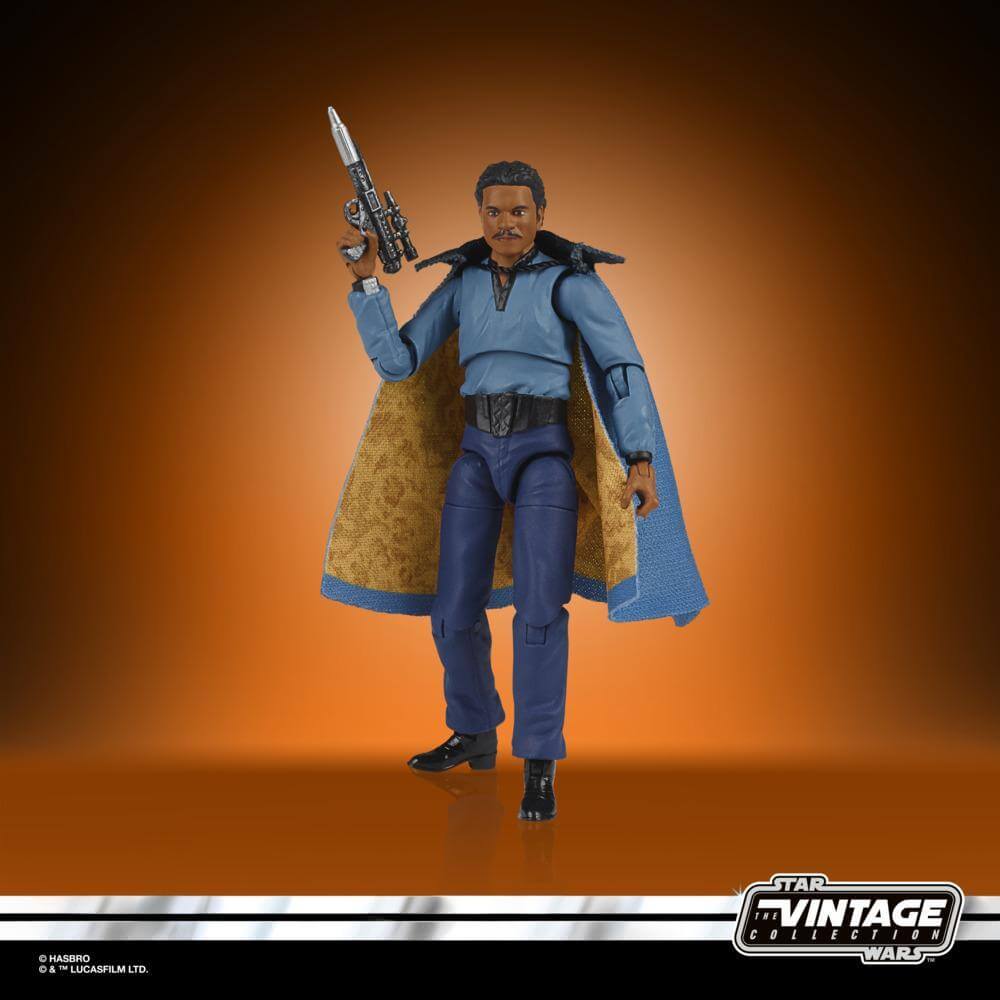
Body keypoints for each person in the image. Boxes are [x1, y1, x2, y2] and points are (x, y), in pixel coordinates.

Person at [325, 160, 708, 821]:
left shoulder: (569, 281)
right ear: (480, 215)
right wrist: (366, 285)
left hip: (543, 456)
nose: (506, 223)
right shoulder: (463, 282)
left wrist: (640, 456)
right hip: (477, 453)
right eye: (494, 211)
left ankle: (538, 760)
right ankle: (474, 729)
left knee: (538, 613)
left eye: (519, 211)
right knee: (452, 609)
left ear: (540, 215)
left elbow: (622, 367)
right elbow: (399, 361)